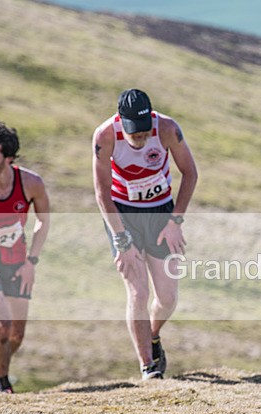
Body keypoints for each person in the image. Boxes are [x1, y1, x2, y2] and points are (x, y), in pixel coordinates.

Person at [93, 89, 198, 380]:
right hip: (123, 217)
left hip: (160, 214)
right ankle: (148, 366)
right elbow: (102, 192)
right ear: (120, 122)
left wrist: (175, 220)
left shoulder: (166, 129)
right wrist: (121, 238)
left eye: (143, 133)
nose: (139, 139)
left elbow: (190, 173)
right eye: (133, 134)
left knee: (167, 297)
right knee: (138, 292)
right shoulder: (105, 136)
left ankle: (152, 334)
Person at [0, 122, 51, 393]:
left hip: (16, 261)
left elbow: (43, 221)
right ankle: (2, 385)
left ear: (7, 156)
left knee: (16, 334)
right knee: (3, 325)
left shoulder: (30, 183)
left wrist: (32, 262)